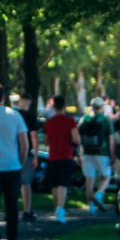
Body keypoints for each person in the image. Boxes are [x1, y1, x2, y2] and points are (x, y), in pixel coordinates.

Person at [0, 83, 29, 240]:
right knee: (12, 207)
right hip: (12, 167)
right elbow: (24, 145)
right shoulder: (15, 115)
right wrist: (20, 162)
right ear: (4, 97)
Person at [41, 94, 80, 224]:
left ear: (53, 106)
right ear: (64, 105)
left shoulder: (48, 122)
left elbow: (46, 142)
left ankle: (56, 209)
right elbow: (76, 139)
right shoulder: (70, 121)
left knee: (54, 184)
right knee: (63, 184)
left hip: (52, 156)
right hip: (66, 155)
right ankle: (60, 209)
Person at [79, 97, 116, 214]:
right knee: (106, 176)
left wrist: (79, 153)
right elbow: (110, 138)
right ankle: (99, 194)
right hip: (102, 153)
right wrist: (112, 155)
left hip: (86, 152)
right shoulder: (105, 120)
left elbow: (78, 137)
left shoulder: (84, 120)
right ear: (102, 107)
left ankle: (90, 206)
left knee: (89, 178)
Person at [17, 94, 39, 222]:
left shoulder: (13, 116)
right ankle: (27, 210)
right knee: (25, 183)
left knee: (13, 182)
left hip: (13, 152)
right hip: (26, 153)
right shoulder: (30, 117)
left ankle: (11, 210)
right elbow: (34, 137)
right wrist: (35, 155)